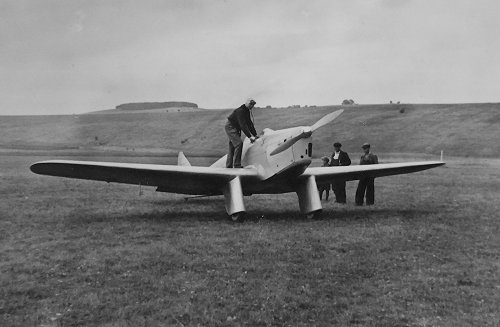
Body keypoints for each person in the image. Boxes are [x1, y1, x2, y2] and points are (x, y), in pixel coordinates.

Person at [225, 98, 259, 168]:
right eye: (251, 104)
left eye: (253, 105)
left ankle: (229, 166)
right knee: (239, 144)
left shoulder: (246, 111)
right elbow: (242, 124)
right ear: (247, 104)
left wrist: (255, 134)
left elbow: (249, 123)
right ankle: (237, 165)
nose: (252, 106)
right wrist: (249, 136)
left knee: (232, 146)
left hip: (235, 128)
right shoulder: (240, 111)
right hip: (230, 126)